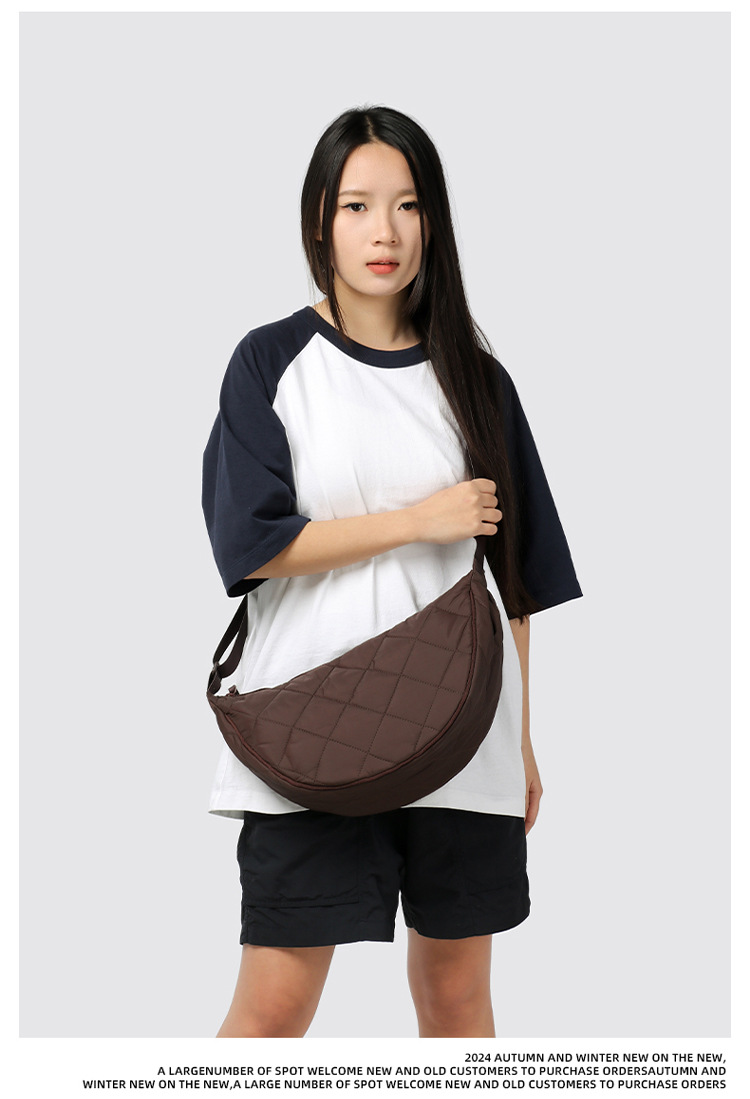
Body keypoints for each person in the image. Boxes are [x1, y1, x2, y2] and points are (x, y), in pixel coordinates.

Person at [201, 105, 582, 1039]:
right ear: (319, 220)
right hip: (310, 732)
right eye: (358, 206)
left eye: (408, 206)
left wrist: (523, 742)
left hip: (465, 733)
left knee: (456, 1001)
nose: (385, 232)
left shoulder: (479, 381)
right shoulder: (271, 361)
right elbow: (251, 544)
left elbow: (516, 584)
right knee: (274, 1006)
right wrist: (418, 522)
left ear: (432, 221)